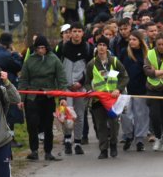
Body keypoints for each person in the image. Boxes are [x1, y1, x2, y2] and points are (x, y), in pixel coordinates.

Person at [19, 35, 67, 161]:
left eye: (43, 48)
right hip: (32, 96)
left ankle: (48, 151)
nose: (41, 50)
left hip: (48, 95)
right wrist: (21, 99)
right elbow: (23, 80)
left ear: (47, 48)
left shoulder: (54, 59)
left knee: (47, 125)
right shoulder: (29, 60)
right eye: (38, 48)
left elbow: (61, 79)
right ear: (35, 48)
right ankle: (34, 150)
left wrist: (62, 97)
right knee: (32, 124)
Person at [86, 36, 128, 158]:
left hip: (113, 99)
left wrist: (118, 89)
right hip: (98, 99)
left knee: (114, 124)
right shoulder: (92, 64)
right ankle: (103, 149)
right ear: (96, 47)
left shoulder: (114, 62)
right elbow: (87, 81)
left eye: (104, 45)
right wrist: (90, 90)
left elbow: (125, 77)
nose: (101, 48)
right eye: (99, 45)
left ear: (107, 47)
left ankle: (113, 144)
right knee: (101, 125)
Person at [59, 23, 92, 155]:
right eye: (74, 31)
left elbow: (90, 69)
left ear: (83, 33)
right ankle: (67, 140)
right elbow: (58, 69)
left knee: (79, 115)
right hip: (65, 88)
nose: (77, 34)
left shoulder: (88, 48)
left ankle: (77, 142)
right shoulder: (62, 48)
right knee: (66, 115)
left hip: (80, 87)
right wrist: (62, 87)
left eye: (79, 31)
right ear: (70, 33)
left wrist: (81, 82)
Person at [0, 32, 24, 140]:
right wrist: (16, 54)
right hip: (5, 85)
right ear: (8, 43)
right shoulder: (6, 55)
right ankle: (10, 137)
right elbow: (18, 66)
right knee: (10, 111)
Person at [119, 30, 151, 151]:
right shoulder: (124, 52)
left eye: (134, 39)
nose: (131, 42)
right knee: (125, 115)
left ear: (140, 41)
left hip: (141, 89)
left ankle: (139, 139)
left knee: (141, 115)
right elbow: (118, 68)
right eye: (130, 39)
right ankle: (128, 135)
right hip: (126, 89)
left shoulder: (146, 54)